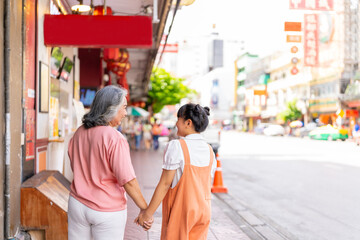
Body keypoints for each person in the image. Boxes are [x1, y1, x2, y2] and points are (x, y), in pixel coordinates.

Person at [67, 86, 152, 240]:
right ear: (111, 108)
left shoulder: (79, 132)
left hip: (77, 204)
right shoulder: (114, 137)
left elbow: (75, 165)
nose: (125, 113)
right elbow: (128, 181)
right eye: (124, 108)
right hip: (106, 209)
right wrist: (145, 209)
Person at [136, 103, 217, 239]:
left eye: (178, 119)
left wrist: (147, 214)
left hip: (182, 211)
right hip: (204, 211)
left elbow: (165, 184)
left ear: (188, 123)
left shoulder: (177, 146)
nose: (176, 123)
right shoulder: (209, 150)